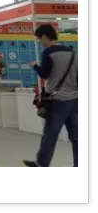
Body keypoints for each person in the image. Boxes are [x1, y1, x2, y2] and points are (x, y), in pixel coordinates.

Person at [23, 24, 78, 167]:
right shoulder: (73, 53)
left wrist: (35, 65)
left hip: (57, 100)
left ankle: (42, 164)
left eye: (39, 39)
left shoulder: (49, 52)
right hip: (75, 100)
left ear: (45, 37)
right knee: (77, 137)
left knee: (50, 135)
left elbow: (44, 74)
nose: (40, 42)